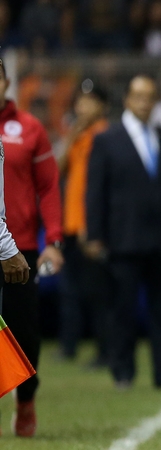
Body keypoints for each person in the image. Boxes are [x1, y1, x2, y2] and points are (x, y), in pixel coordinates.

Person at [85, 74, 161, 391]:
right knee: (122, 309)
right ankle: (122, 371)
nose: (145, 103)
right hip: (123, 239)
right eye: (139, 96)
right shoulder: (107, 140)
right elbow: (96, 191)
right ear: (127, 100)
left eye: (150, 97)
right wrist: (95, 234)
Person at [0, 57, 63, 437]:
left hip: (19, 248)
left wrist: (53, 241)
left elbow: (49, 187)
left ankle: (25, 399)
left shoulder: (29, 128)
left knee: (24, 333)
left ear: (7, 82)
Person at [56, 80, 110, 367]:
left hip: (92, 226)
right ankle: (69, 346)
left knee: (99, 292)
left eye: (89, 101)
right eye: (79, 101)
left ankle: (105, 351)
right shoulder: (78, 134)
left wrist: (94, 226)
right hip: (71, 223)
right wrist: (70, 138)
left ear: (102, 106)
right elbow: (57, 171)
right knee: (71, 290)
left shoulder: (105, 135)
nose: (82, 107)